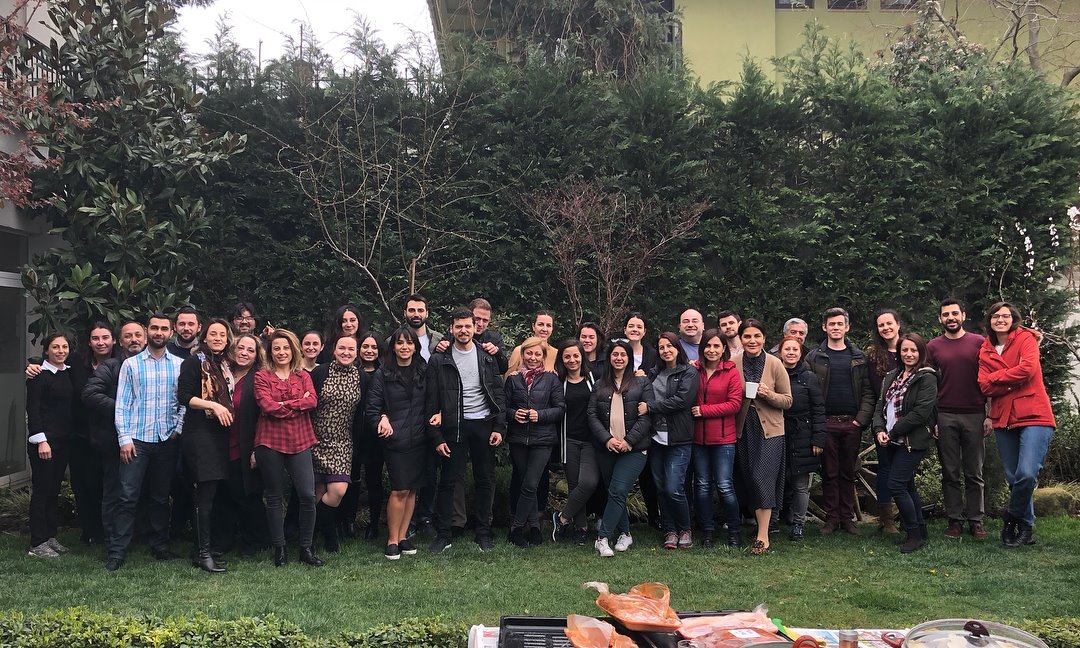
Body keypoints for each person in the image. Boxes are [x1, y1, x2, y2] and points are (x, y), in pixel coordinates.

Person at [426, 308, 506, 552]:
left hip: (483, 423)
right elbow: (431, 400)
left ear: (475, 328)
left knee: (485, 480)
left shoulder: (487, 356)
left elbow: (498, 392)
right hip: (454, 425)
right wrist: (437, 436)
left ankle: (483, 532)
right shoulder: (439, 359)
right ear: (451, 329)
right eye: (458, 326)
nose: (463, 330)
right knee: (448, 481)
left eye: (467, 326)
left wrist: (499, 426)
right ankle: (444, 534)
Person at [111, 314, 185, 571]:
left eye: (164, 328)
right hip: (137, 441)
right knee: (127, 496)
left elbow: (185, 401)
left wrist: (178, 429)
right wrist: (124, 439)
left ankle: (160, 546)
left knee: (160, 497)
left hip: (166, 440)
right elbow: (122, 405)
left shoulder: (179, 365)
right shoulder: (131, 365)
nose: (159, 332)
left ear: (171, 332)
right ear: (147, 331)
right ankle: (117, 551)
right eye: (154, 328)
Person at [978, 302, 1055, 548]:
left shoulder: (1026, 339)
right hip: (1004, 417)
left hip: (1034, 414)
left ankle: (1011, 517)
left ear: (1014, 319)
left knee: (1027, 473)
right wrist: (1012, 378)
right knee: (1013, 478)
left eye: (1005, 315)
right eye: (995, 316)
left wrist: (997, 378)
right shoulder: (985, 349)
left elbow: (1028, 370)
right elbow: (984, 386)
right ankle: (1026, 528)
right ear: (989, 321)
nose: (1000, 319)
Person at [253, 329, 323, 567]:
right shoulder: (262, 376)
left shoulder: (302, 375)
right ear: (270, 352)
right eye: (276, 348)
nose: (281, 352)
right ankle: (279, 548)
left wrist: (284, 403)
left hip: (300, 439)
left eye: (285, 348)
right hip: (269, 440)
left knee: (307, 495)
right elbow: (267, 406)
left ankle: (306, 548)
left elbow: (312, 401)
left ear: (293, 350)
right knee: (274, 496)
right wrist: (297, 404)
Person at [804, 307, 875, 535]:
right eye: (831, 324)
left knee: (848, 472)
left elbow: (868, 392)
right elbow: (807, 391)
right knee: (829, 472)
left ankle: (847, 518)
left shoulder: (859, 357)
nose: (835, 328)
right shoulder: (814, 357)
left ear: (847, 327)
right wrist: (817, 423)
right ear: (824, 327)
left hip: (852, 423)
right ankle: (831, 518)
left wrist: (860, 421)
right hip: (826, 422)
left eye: (839, 324)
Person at [82, 320, 147, 569]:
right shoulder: (111, 366)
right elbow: (90, 394)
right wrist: (124, 409)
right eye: (128, 336)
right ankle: (112, 542)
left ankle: (140, 536)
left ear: (145, 339)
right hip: (113, 441)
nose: (134, 339)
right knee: (114, 492)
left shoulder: (155, 364)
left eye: (138, 335)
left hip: (148, 440)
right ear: (120, 341)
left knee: (141, 492)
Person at [176, 318, 235, 573]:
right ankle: (203, 553)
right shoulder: (194, 362)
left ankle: (201, 549)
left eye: (222, 334)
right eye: (213, 334)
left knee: (213, 494)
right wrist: (213, 405)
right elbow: (184, 396)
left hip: (219, 435)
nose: (218, 338)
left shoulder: (223, 365)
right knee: (205, 495)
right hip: (200, 434)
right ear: (205, 337)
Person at [928, 299, 990, 540]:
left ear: (963, 315)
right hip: (945, 415)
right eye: (946, 314)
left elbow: (990, 378)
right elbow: (928, 386)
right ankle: (954, 520)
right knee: (950, 472)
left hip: (975, 414)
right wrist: (933, 419)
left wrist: (990, 414)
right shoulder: (933, 347)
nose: (950, 317)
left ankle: (976, 521)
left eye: (955, 313)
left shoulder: (979, 342)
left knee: (974, 472)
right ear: (940, 319)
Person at [587, 339, 654, 557]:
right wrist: (607, 439)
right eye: (615, 354)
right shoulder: (599, 384)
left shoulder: (641, 382)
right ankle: (625, 533)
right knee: (616, 492)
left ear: (629, 358)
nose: (618, 358)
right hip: (607, 448)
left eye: (623, 355)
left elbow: (646, 417)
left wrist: (629, 441)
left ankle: (602, 538)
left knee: (617, 490)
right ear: (609, 358)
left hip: (634, 449)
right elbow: (592, 415)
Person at [872, 333, 938, 553]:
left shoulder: (926, 377)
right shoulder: (892, 376)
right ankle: (920, 529)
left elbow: (920, 413)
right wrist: (880, 430)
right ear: (899, 352)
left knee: (896, 484)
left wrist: (892, 432)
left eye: (914, 350)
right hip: (891, 439)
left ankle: (913, 535)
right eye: (905, 350)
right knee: (907, 485)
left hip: (912, 440)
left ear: (921, 352)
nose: (909, 354)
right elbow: (880, 407)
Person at [367, 327, 428, 559]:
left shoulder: (424, 370)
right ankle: (391, 540)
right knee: (399, 489)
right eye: (400, 343)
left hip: (420, 439)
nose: (405, 347)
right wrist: (381, 418)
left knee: (411, 489)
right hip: (395, 441)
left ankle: (403, 537)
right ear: (393, 347)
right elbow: (372, 408)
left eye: (409, 343)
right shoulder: (383, 374)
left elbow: (433, 400)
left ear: (415, 346)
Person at [734, 319, 792, 556]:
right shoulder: (733, 363)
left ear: (764, 338)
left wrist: (769, 395)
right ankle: (760, 524)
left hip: (770, 430)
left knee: (762, 477)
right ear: (741, 339)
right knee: (749, 478)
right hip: (743, 428)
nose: (752, 341)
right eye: (747, 336)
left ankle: (763, 535)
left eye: (757, 336)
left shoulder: (775, 363)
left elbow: (788, 400)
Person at [504, 337, 565, 547]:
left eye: (537, 354)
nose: (533, 357)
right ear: (522, 355)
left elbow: (560, 409)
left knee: (531, 483)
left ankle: (516, 528)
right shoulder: (513, 380)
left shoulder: (551, 379)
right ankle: (535, 527)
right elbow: (504, 407)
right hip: (518, 439)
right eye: (529, 353)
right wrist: (514, 414)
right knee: (524, 483)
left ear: (543, 357)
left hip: (543, 439)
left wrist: (540, 415)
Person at [645, 332, 699, 549]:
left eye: (670, 346)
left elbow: (681, 401)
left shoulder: (689, 372)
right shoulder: (653, 373)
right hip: (656, 439)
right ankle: (669, 530)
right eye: (661, 347)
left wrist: (651, 407)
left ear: (678, 348)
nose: (666, 350)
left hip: (679, 438)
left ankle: (685, 528)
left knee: (674, 488)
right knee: (660, 488)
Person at [309, 334, 362, 553]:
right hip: (315, 439)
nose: (346, 352)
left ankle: (324, 529)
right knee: (318, 491)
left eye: (351, 349)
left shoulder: (361, 377)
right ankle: (320, 538)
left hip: (343, 441)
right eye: (342, 348)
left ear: (356, 353)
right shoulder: (320, 372)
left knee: (338, 490)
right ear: (334, 350)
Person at [25, 333, 77, 558]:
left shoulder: (67, 373)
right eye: (55, 347)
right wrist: (41, 440)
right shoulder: (39, 376)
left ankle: (50, 536)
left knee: (53, 490)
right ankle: (37, 543)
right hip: (44, 443)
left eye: (64, 347)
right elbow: (33, 410)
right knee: (42, 491)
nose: (60, 351)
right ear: (46, 350)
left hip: (63, 442)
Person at [691, 329, 743, 548]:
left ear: (723, 349)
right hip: (698, 439)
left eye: (716, 346)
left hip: (724, 439)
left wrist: (704, 410)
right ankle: (707, 530)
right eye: (708, 346)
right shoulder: (694, 370)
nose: (711, 350)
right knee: (702, 485)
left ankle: (734, 530)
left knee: (724, 485)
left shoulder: (731, 371)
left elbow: (734, 404)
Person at [220, 333, 270, 559]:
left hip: (247, 444)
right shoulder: (223, 373)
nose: (244, 353)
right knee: (226, 493)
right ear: (233, 349)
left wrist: (258, 449)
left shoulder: (259, 378)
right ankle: (227, 538)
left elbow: (265, 416)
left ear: (257, 355)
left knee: (247, 494)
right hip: (222, 443)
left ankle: (257, 540)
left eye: (250, 350)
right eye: (241, 348)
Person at [338, 331, 385, 540]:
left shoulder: (384, 373)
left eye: (374, 347)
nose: (369, 351)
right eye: (365, 346)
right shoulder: (350, 371)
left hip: (375, 435)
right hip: (352, 434)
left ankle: (374, 524)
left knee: (374, 481)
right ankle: (347, 522)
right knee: (351, 479)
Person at [778, 336, 825, 541]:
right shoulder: (773, 374)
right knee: (776, 481)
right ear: (780, 352)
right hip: (778, 432)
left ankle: (798, 523)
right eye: (787, 349)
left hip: (803, 434)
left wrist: (818, 438)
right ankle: (772, 521)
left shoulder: (809, 377)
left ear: (800, 353)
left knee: (800, 484)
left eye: (794, 349)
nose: (791, 353)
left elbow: (818, 409)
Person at [551, 340, 598, 546]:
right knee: (574, 485)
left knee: (588, 482)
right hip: (568, 439)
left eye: (576, 356)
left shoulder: (593, 378)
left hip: (590, 441)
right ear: (562, 359)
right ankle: (581, 529)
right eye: (567, 356)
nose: (572, 360)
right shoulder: (557, 382)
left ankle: (562, 518)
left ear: (582, 357)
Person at [866, 308, 902, 535]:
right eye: (881, 325)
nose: (886, 328)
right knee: (886, 468)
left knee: (906, 467)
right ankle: (887, 520)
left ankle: (908, 514)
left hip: (910, 419)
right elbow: (874, 391)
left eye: (889, 323)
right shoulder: (874, 356)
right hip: (884, 420)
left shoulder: (911, 349)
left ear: (898, 324)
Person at [403, 294, 442, 362]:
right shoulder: (393, 341)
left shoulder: (439, 340)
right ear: (405, 313)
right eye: (412, 310)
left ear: (427, 313)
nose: (416, 314)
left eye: (420, 310)